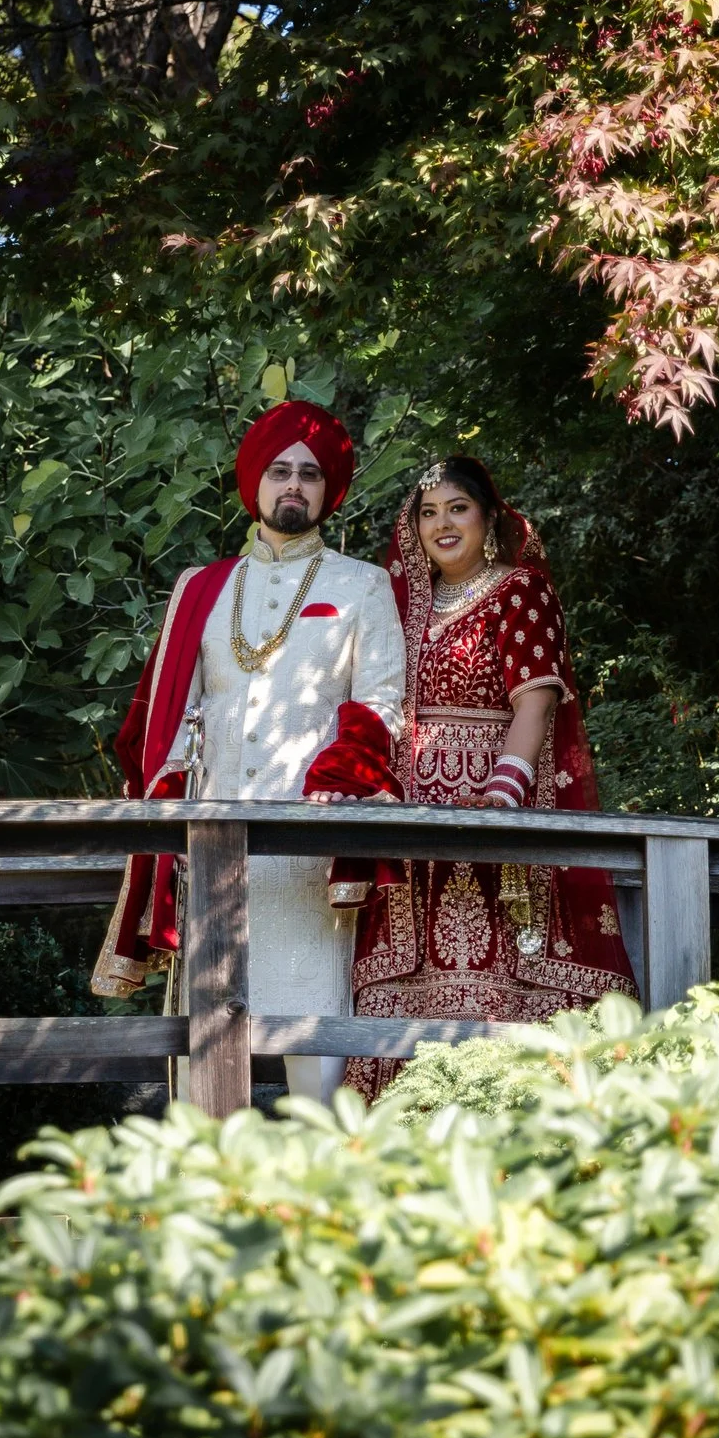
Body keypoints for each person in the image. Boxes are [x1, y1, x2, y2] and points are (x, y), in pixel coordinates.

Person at [91, 401, 405, 1102]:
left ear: (329, 492)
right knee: (203, 1049)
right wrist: (166, 819)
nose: (294, 484)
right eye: (280, 470)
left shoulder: (361, 585)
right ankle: (202, 1197)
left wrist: (341, 773)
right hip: (211, 852)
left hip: (307, 848)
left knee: (312, 1048)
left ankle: (317, 1198)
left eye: (310, 475)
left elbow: (384, 702)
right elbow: (163, 722)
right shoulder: (201, 588)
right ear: (254, 483)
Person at [343, 457, 638, 1099]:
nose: (442, 524)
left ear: (487, 517)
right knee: (409, 979)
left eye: (458, 508)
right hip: (412, 810)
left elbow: (536, 702)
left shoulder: (520, 590)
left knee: (507, 970)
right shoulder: (401, 606)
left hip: (494, 793)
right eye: (428, 512)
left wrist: (500, 797)